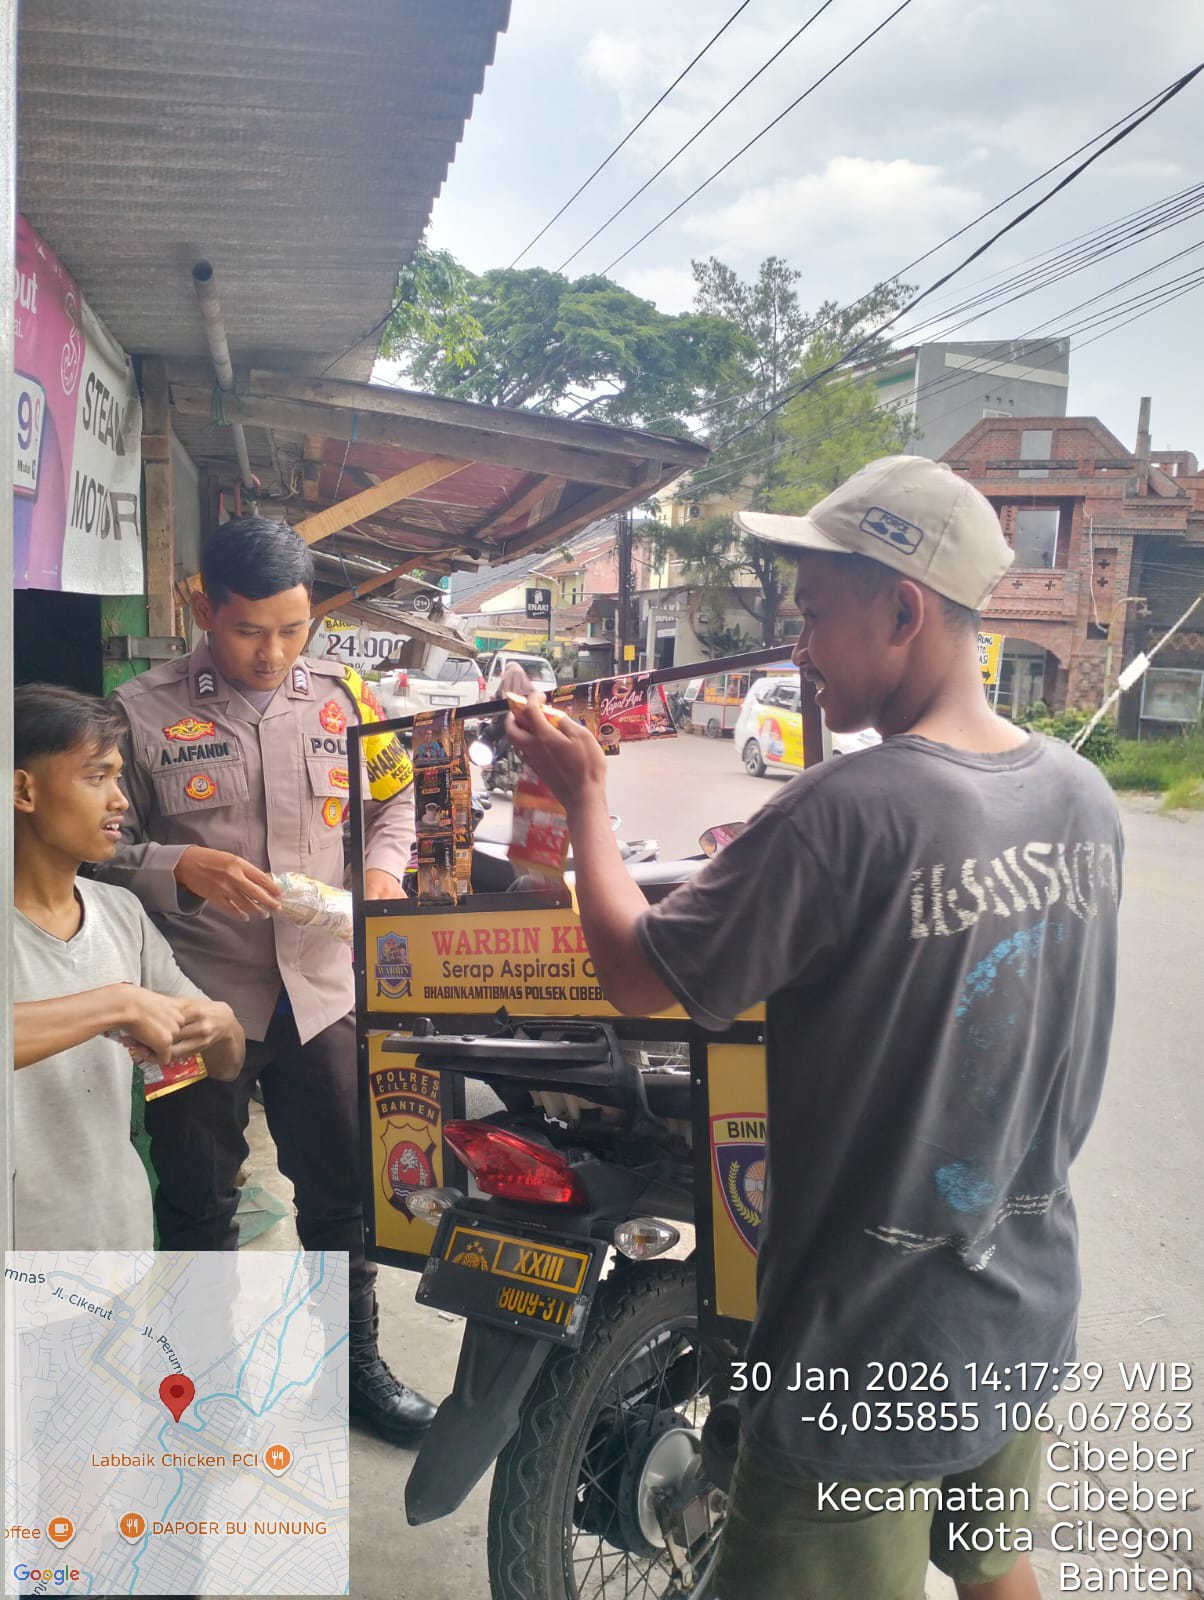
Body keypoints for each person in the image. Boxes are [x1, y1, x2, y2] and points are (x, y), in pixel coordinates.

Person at [507, 456, 1122, 1600]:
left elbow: (637, 972)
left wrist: (584, 796)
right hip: (1020, 1303)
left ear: (904, 610)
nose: (799, 644)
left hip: (864, 1344)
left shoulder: (846, 811)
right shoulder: (1082, 795)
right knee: (995, 1568)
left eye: (818, 613)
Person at [97, 515, 435, 1445]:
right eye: (250, 630)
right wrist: (176, 863)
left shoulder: (347, 699)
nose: (273, 652)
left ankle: (352, 1370)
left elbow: (396, 799)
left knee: (342, 1197)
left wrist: (383, 872)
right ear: (202, 606)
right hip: (196, 1003)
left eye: (294, 628)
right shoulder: (141, 712)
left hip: (323, 996)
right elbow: (94, 846)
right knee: (197, 1197)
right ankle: (199, 1385)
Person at [12, 684, 244, 1250]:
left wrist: (221, 1025)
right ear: (22, 790)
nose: (119, 800)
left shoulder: (121, 914)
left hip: (119, 1239)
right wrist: (115, 1003)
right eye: (96, 777)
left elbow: (225, 1065)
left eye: (117, 777)